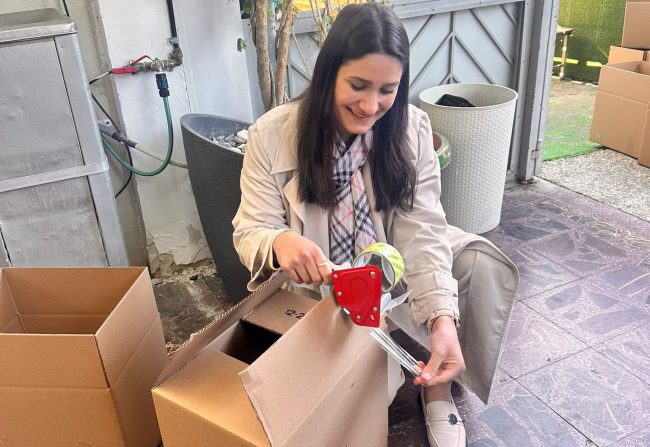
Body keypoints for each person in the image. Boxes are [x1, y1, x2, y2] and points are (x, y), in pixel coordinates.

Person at [233, 3, 518, 446]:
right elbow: (250, 227)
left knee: (472, 264)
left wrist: (442, 317)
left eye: (388, 90)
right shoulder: (272, 135)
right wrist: (280, 240)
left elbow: (423, 226)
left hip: (390, 262)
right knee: (372, 391)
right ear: (329, 74)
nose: (370, 106)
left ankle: (437, 387)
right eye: (358, 85)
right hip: (324, 278)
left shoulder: (410, 129)